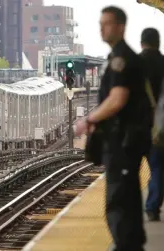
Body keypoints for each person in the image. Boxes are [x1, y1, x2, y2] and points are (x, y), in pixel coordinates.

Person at [74, 6, 149, 251]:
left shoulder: (121, 59)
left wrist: (90, 119)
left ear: (121, 27)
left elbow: (118, 98)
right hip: (126, 140)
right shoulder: (118, 57)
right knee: (125, 195)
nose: (101, 28)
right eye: (100, 23)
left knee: (119, 198)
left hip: (123, 141)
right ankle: (130, 243)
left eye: (106, 23)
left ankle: (125, 244)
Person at [140, 27, 164, 221]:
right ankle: (152, 207)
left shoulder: (135, 63)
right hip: (159, 127)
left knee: (129, 169)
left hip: (136, 127)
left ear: (142, 43)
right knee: (158, 167)